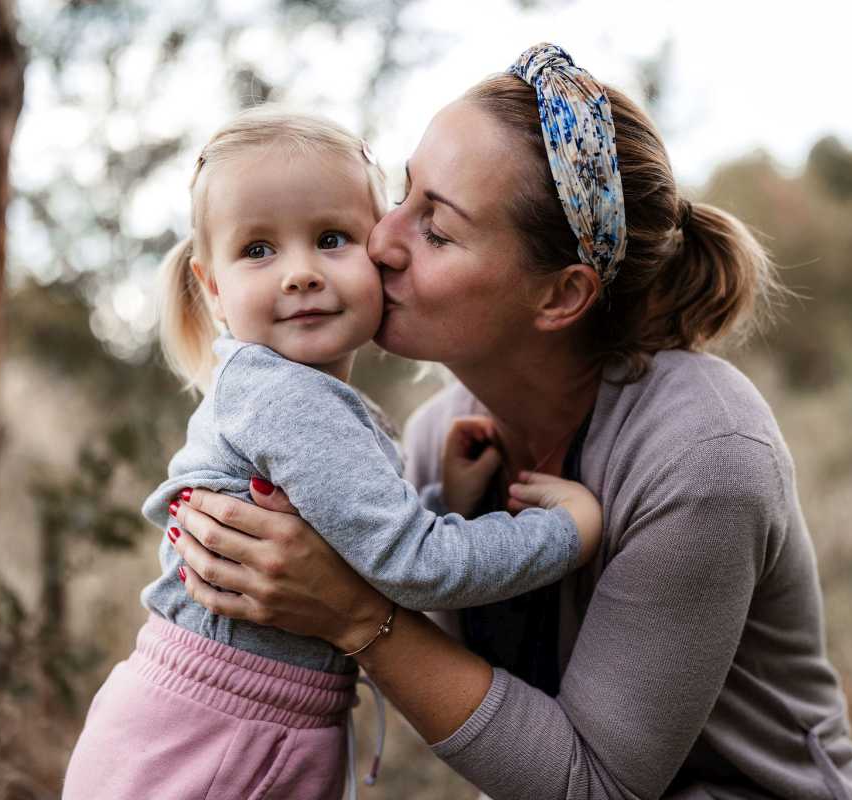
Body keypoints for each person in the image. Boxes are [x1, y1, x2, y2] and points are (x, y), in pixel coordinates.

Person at [164, 44, 852, 799]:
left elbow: (597, 786)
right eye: (403, 193)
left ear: (559, 297)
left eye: (436, 231)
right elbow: (457, 691)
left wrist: (354, 613)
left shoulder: (702, 454)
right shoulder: (441, 438)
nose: (380, 240)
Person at [61, 104, 603, 800]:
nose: (299, 273)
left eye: (331, 237)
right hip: (221, 741)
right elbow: (414, 566)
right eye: (259, 250)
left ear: (379, 251)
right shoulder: (293, 400)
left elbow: (360, 551)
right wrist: (565, 532)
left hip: (211, 722)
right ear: (214, 287)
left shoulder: (280, 391)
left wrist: (441, 500)